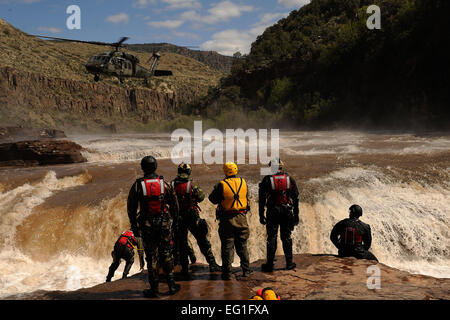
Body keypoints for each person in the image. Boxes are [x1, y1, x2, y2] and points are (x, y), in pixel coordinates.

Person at [127, 156, 181, 297]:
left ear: (142, 167)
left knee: (151, 257)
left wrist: (134, 226)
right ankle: (171, 285)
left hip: (147, 226)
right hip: (164, 224)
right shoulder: (164, 184)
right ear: (156, 166)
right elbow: (175, 205)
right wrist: (174, 221)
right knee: (167, 253)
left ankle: (154, 289)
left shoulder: (138, 185)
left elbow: (131, 209)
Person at [171, 163, 220, 278]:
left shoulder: (171, 184)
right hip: (192, 216)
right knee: (202, 240)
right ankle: (212, 263)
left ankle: (184, 269)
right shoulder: (191, 185)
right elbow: (201, 197)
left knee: (182, 243)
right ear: (188, 172)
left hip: (178, 218)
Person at [208, 162, 252, 280]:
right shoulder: (243, 182)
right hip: (242, 218)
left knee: (227, 246)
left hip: (227, 219)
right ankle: (246, 271)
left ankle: (227, 274)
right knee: (242, 245)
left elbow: (212, 199)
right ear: (236, 170)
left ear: (225, 171)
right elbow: (246, 198)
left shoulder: (221, 185)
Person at [258, 158, 300, 272]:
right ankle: (289, 263)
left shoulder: (267, 179)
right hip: (287, 211)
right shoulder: (289, 179)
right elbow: (296, 198)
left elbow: (261, 200)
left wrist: (261, 215)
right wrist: (296, 215)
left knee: (272, 237)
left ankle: (270, 264)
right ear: (282, 166)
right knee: (286, 237)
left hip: (272, 212)